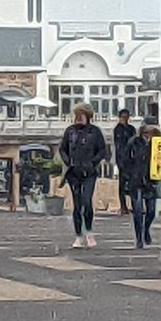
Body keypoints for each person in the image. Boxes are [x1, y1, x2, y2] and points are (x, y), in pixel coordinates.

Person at [59, 103, 108, 249]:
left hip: (89, 173)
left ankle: (89, 232)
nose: (79, 118)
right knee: (77, 204)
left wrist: (92, 163)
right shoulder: (70, 132)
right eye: (77, 115)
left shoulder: (95, 132)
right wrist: (68, 162)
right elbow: (63, 149)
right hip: (74, 173)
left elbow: (102, 150)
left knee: (87, 201)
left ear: (88, 117)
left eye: (82, 115)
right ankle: (78, 235)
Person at [122, 125, 161, 249]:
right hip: (136, 180)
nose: (148, 135)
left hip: (151, 180)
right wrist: (128, 176)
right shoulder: (134, 143)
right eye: (146, 133)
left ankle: (146, 230)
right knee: (137, 211)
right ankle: (139, 237)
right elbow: (125, 160)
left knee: (151, 211)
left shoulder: (158, 144)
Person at [113, 109, 137, 216]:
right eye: (122, 117)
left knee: (133, 184)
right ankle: (123, 206)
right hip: (122, 159)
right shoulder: (118, 130)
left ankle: (134, 205)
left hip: (132, 160)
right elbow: (119, 146)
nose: (124, 119)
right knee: (122, 184)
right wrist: (120, 161)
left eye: (126, 117)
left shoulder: (131, 129)